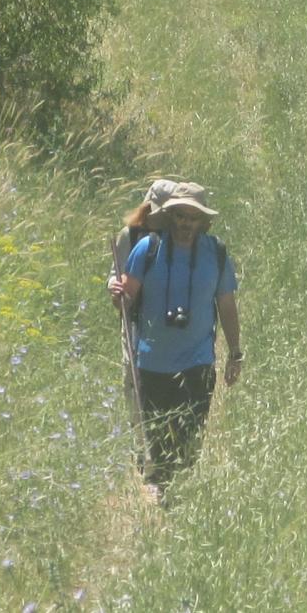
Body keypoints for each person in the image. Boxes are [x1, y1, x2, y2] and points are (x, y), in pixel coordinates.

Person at [117, 183, 240, 496]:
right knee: (158, 441)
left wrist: (235, 353)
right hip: (152, 361)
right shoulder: (148, 249)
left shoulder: (217, 253)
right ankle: (163, 497)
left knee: (190, 439)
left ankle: (179, 498)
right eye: (181, 216)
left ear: (203, 221)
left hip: (198, 362)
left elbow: (226, 305)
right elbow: (126, 300)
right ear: (171, 217)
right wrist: (118, 296)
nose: (186, 223)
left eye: (193, 217)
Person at [108, 178, 182, 421]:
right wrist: (115, 288)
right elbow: (116, 275)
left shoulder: (180, 237)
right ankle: (139, 441)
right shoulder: (128, 236)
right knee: (134, 379)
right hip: (135, 320)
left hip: (169, 322)